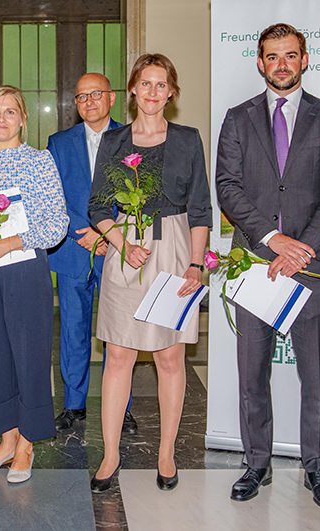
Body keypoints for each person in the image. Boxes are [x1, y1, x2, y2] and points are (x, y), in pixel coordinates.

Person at [215, 23, 320, 509]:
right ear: (260, 62)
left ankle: (318, 469)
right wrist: (274, 241)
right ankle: (257, 463)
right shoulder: (237, 118)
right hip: (255, 263)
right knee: (252, 375)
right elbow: (227, 186)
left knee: (316, 378)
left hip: (311, 269)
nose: (282, 64)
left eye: (290, 55)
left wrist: (303, 248)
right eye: (272, 56)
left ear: (304, 59)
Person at [87, 54, 212, 493]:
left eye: (162, 84)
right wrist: (122, 244)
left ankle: (166, 452)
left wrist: (195, 264)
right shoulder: (114, 141)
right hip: (126, 251)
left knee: (170, 357)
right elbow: (98, 206)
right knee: (118, 355)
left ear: (171, 92)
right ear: (133, 91)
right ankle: (110, 454)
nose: (153, 92)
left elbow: (200, 208)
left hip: (175, 250)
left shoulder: (188, 139)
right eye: (146, 84)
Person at [0, 85, 67, 484]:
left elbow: (57, 223)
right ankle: (6, 439)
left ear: (22, 119)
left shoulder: (40, 161)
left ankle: (27, 445)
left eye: (9, 112)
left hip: (25, 271)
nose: (1, 119)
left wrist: (10, 243)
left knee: (29, 358)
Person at [46, 73, 137, 434]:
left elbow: (139, 196)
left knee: (120, 332)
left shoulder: (132, 139)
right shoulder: (59, 143)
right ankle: (74, 404)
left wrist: (106, 233)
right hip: (73, 247)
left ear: (111, 98)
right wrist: (82, 233)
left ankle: (121, 406)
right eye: (82, 97)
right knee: (73, 330)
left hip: (116, 249)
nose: (89, 102)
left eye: (96, 94)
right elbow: (52, 196)